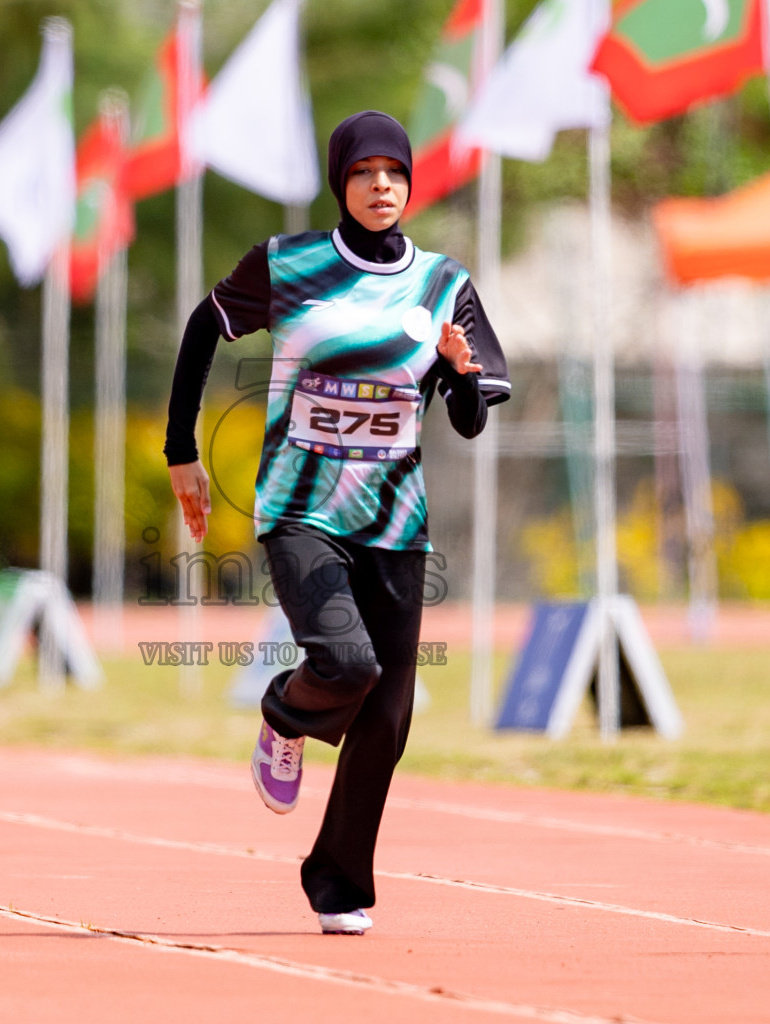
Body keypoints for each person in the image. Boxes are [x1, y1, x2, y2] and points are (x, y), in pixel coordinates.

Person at [164, 111, 510, 935]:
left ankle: (338, 880)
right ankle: (287, 712)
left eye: (394, 173)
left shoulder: (443, 284)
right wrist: (182, 450)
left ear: (409, 185)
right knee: (347, 665)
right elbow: (201, 329)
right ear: (340, 182)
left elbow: (469, 417)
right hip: (299, 511)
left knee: (389, 715)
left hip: (395, 523)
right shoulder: (288, 263)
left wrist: (460, 375)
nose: (380, 186)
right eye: (364, 173)